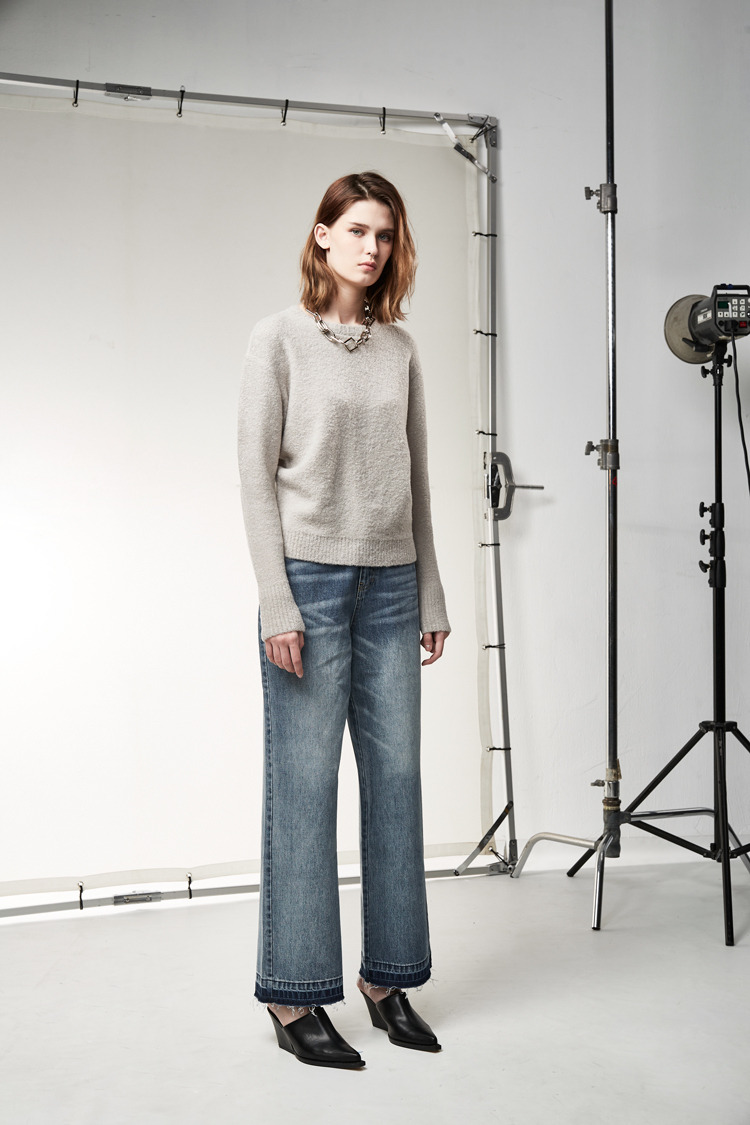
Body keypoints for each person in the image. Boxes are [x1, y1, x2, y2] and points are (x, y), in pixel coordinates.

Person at [238, 171, 450, 1069]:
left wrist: (431, 591)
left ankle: (387, 978)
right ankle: (293, 994)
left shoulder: (399, 348)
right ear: (322, 235)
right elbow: (254, 479)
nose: (372, 247)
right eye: (357, 229)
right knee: (306, 785)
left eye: (385, 234)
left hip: (393, 584)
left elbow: (417, 476)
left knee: (395, 779)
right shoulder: (278, 339)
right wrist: (276, 602)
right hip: (310, 585)